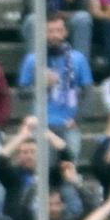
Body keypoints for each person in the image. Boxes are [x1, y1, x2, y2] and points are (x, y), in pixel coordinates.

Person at [22, 15, 94, 144]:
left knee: (69, 162)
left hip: (68, 123)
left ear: (65, 32)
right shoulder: (32, 59)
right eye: (50, 31)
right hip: (40, 124)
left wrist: (78, 118)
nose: (55, 35)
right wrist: (41, 86)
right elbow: (22, 92)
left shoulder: (78, 58)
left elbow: (88, 91)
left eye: (59, 30)